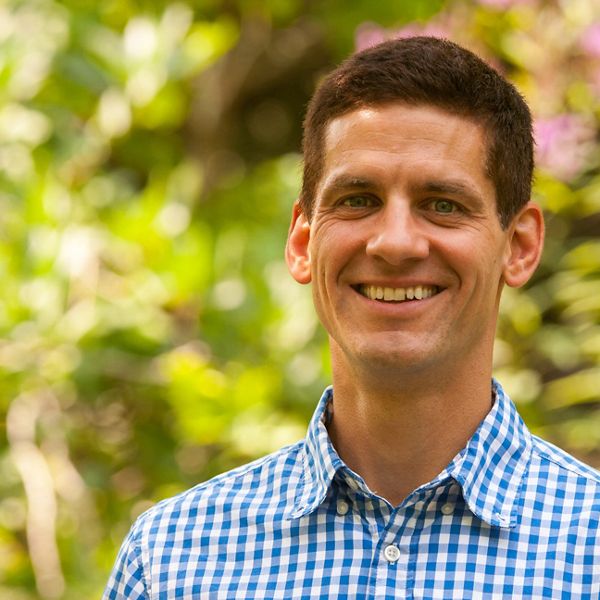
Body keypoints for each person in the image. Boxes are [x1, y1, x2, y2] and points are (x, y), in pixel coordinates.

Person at [104, 37, 600, 599]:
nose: (395, 243)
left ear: (520, 246)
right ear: (301, 241)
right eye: (358, 199)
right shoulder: (173, 560)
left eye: (442, 205)